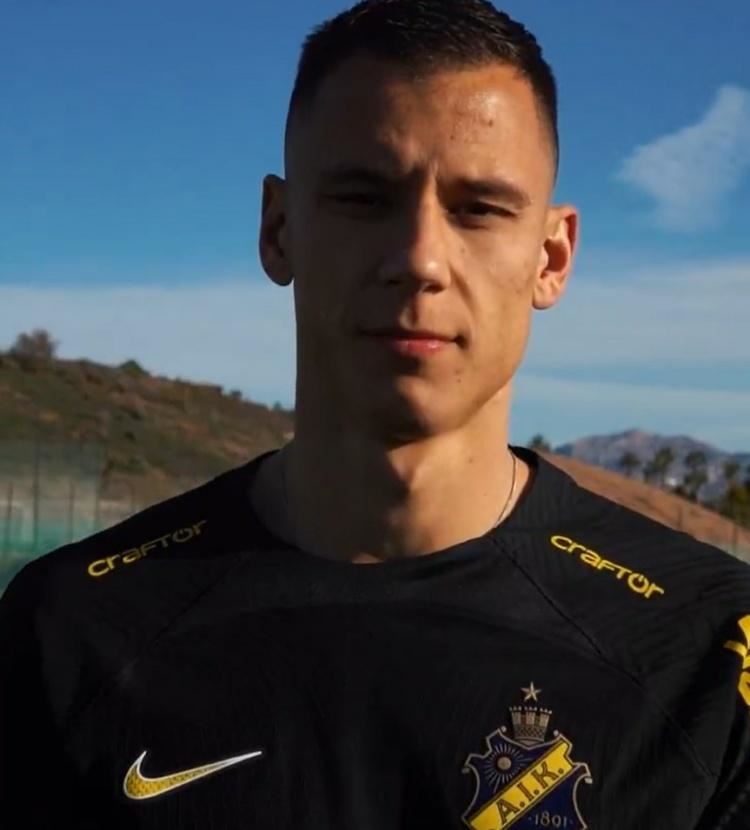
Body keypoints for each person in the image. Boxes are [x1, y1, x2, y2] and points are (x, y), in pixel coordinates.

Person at [1, 0, 749, 827]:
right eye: (364, 199)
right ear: (279, 230)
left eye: (479, 208)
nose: (420, 259)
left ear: (552, 255)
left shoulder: (707, 651)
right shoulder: (69, 631)